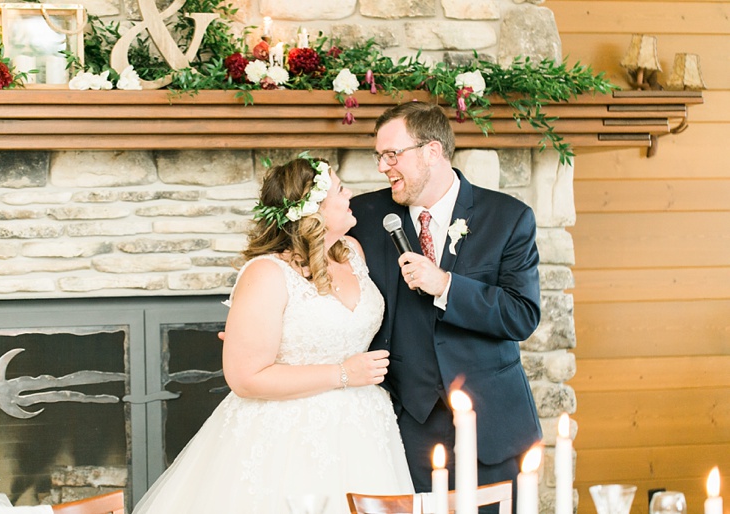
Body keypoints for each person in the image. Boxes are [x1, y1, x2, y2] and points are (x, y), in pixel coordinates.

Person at [132, 154, 413, 514]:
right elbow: (245, 378)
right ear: (316, 210)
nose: (351, 195)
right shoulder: (266, 273)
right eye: (341, 190)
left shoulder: (352, 254)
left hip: (363, 427)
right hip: (287, 434)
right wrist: (344, 374)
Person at [348, 102, 542, 503]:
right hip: (407, 426)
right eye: (379, 156)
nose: (383, 167)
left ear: (432, 152)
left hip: (495, 425)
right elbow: (301, 255)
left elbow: (521, 315)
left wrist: (446, 285)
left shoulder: (508, 217)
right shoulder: (363, 215)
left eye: (392, 154)